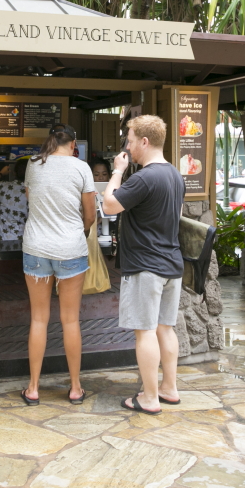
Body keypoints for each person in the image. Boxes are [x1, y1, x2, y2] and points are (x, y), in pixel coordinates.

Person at [102, 115, 185, 415]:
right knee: (166, 328)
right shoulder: (175, 174)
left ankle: (149, 398)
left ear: (145, 142)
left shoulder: (144, 177)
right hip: (171, 263)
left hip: (145, 265)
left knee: (145, 331)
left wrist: (116, 172)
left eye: (130, 139)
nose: (128, 145)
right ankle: (169, 388)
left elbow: (108, 205)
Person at [20, 124, 96, 405]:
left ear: (50, 140)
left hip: (36, 248)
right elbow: (89, 214)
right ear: (73, 143)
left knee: (39, 319)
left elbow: (31, 197)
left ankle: (33, 388)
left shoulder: (33, 164)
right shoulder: (81, 168)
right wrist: (79, 233)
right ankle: (75, 388)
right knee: (70, 320)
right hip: (70, 249)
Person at [0, 156, 29, 241]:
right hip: (25, 241)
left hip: (1, 238)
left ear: (14, 173)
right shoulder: (36, 192)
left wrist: (1, 173)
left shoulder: (2, 187)